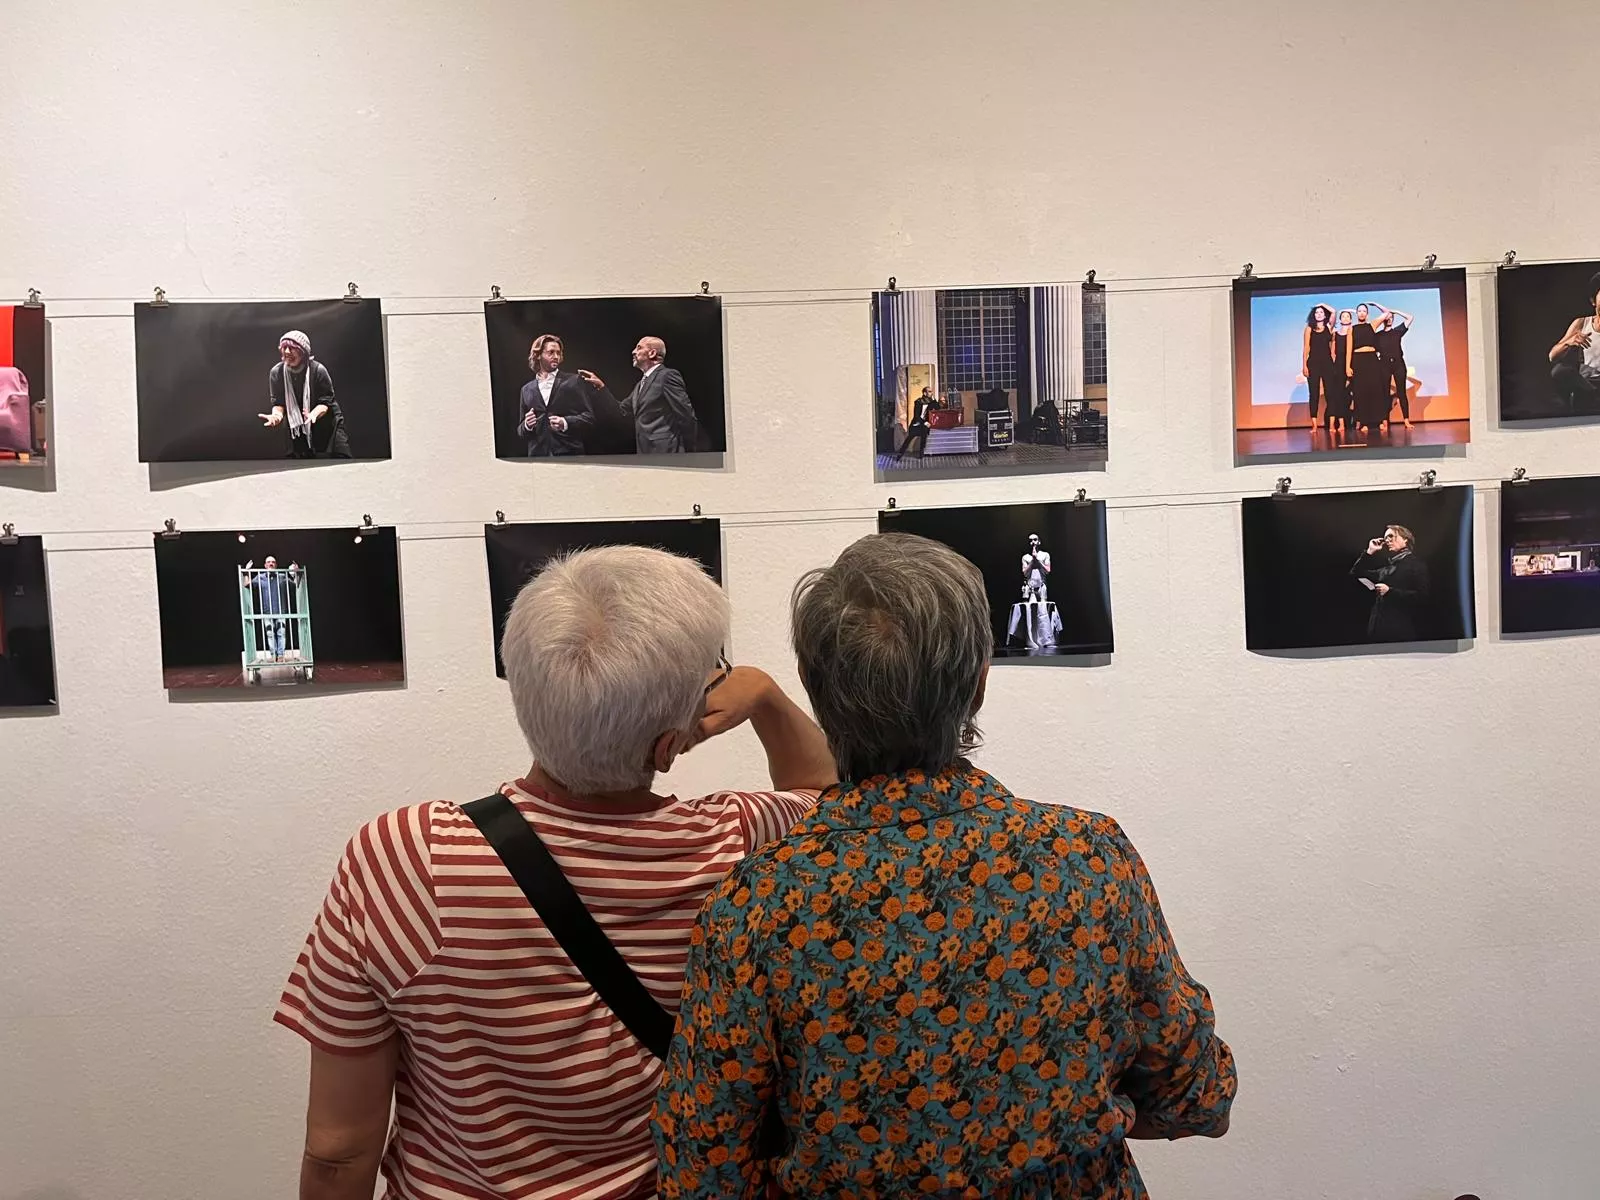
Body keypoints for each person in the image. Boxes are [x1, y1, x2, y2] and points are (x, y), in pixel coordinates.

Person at [655, 532, 1236, 1199]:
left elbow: (702, 1171)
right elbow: (1197, 1096)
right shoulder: (1089, 858)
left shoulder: (756, 905)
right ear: (978, 684)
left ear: (818, 692)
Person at [275, 545, 835, 1200]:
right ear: (668, 745)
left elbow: (339, 1150)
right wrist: (764, 695)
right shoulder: (740, 842)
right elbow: (828, 795)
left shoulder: (403, 858)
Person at [580, 336, 699, 453]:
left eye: (639, 347)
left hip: (667, 451)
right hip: (644, 452)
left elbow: (686, 414)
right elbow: (621, 411)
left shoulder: (667, 376)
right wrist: (601, 387)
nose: (633, 352)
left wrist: (688, 451)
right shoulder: (640, 385)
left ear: (652, 353)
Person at [261, 330, 353, 459]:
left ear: (303, 352)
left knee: (340, 461)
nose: (287, 352)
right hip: (298, 425)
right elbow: (279, 403)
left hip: (327, 422)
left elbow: (325, 403)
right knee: (302, 463)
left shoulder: (318, 370)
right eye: (284, 348)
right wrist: (276, 416)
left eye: (292, 348)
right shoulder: (277, 372)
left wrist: (313, 414)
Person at [515, 333, 607, 457]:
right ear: (538, 355)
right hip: (538, 457)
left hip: (570, 455)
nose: (556, 356)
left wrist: (565, 422)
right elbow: (520, 431)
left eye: (558, 353)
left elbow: (589, 418)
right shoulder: (526, 389)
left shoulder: (573, 381)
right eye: (551, 352)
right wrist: (527, 425)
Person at [1350, 524, 1430, 642]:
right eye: (1385, 538)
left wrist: (1390, 592)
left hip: (1401, 633)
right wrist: (1369, 551)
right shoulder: (1387, 568)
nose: (1387, 540)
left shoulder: (1416, 565)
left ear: (1405, 539)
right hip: (1377, 633)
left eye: (1391, 536)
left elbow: (1423, 597)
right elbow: (1356, 573)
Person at [1547, 272, 1600, 412]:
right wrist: (1569, 342)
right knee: (1560, 370)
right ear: (1593, 301)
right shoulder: (1582, 323)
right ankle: (1591, 394)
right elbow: (1552, 356)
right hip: (1587, 384)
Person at [1345, 303, 1392, 437]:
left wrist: (1375, 304)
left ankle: (1379, 421)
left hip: (1372, 360)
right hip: (1358, 361)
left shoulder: (1372, 325)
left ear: (1367, 314)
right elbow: (1349, 349)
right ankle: (1364, 422)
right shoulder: (1352, 329)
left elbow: (1387, 312)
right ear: (1356, 313)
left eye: (1364, 311)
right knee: (1361, 392)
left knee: (1376, 390)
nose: (1361, 313)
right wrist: (1348, 366)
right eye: (1359, 311)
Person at [247, 555, 301, 660]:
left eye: (273, 562)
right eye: (268, 562)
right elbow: (247, 584)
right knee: (270, 634)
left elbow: (296, 584)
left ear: (276, 565)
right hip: (267, 612)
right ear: (265, 565)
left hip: (281, 611)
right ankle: (273, 655)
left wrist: (296, 573)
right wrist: (246, 572)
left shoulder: (282, 576)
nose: (271, 564)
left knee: (281, 633)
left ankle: (280, 655)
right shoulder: (260, 577)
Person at [1375, 309, 1415, 430]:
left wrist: (1395, 311)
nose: (1389, 320)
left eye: (1391, 318)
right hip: (1384, 365)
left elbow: (1410, 317)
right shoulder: (1378, 335)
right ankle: (1384, 421)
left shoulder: (1397, 331)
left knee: (1401, 393)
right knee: (1384, 393)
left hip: (1398, 364)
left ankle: (1406, 421)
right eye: (1387, 318)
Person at [1301, 304, 1338, 431]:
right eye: (1317, 312)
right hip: (1313, 363)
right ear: (1313, 315)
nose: (1319, 314)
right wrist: (1304, 365)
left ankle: (1332, 425)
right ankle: (1314, 425)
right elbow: (1306, 348)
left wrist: (1322, 304)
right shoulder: (1309, 329)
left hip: (1327, 363)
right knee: (1314, 394)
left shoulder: (1329, 327)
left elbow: (1334, 312)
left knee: (1330, 393)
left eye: (1321, 312)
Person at [894, 385, 937, 459]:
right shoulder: (918, 402)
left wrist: (933, 399)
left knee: (923, 438)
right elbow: (916, 415)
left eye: (931, 391)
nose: (931, 393)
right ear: (925, 393)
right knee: (909, 438)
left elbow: (937, 407)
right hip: (917, 423)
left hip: (924, 424)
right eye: (929, 391)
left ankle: (921, 455)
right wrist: (924, 422)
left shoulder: (930, 402)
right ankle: (900, 454)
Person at [1022, 532, 1051, 602]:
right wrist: (1032, 560)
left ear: (1039, 542)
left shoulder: (1045, 555)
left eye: (1035, 540)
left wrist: (1037, 560)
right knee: (1029, 606)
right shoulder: (1025, 557)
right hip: (1030, 587)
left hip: (1041, 586)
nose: (1033, 542)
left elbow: (1048, 570)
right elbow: (1025, 573)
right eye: (1030, 540)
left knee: (1043, 607)